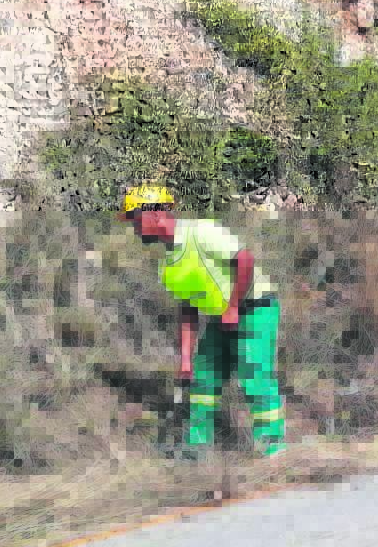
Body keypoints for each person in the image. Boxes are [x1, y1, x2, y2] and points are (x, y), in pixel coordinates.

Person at [119, 184, 285, 457]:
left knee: (255, 375)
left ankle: (272, 448)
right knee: (203, 380)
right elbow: (188, 309)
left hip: (255, 308)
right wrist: (186, 358)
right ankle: (198, 450)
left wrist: (233, 307)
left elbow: (244, 260)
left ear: (156, 214)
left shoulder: (202, 232)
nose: (135, 228)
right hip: (222, 318)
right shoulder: (169, 265)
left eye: (136, 220)